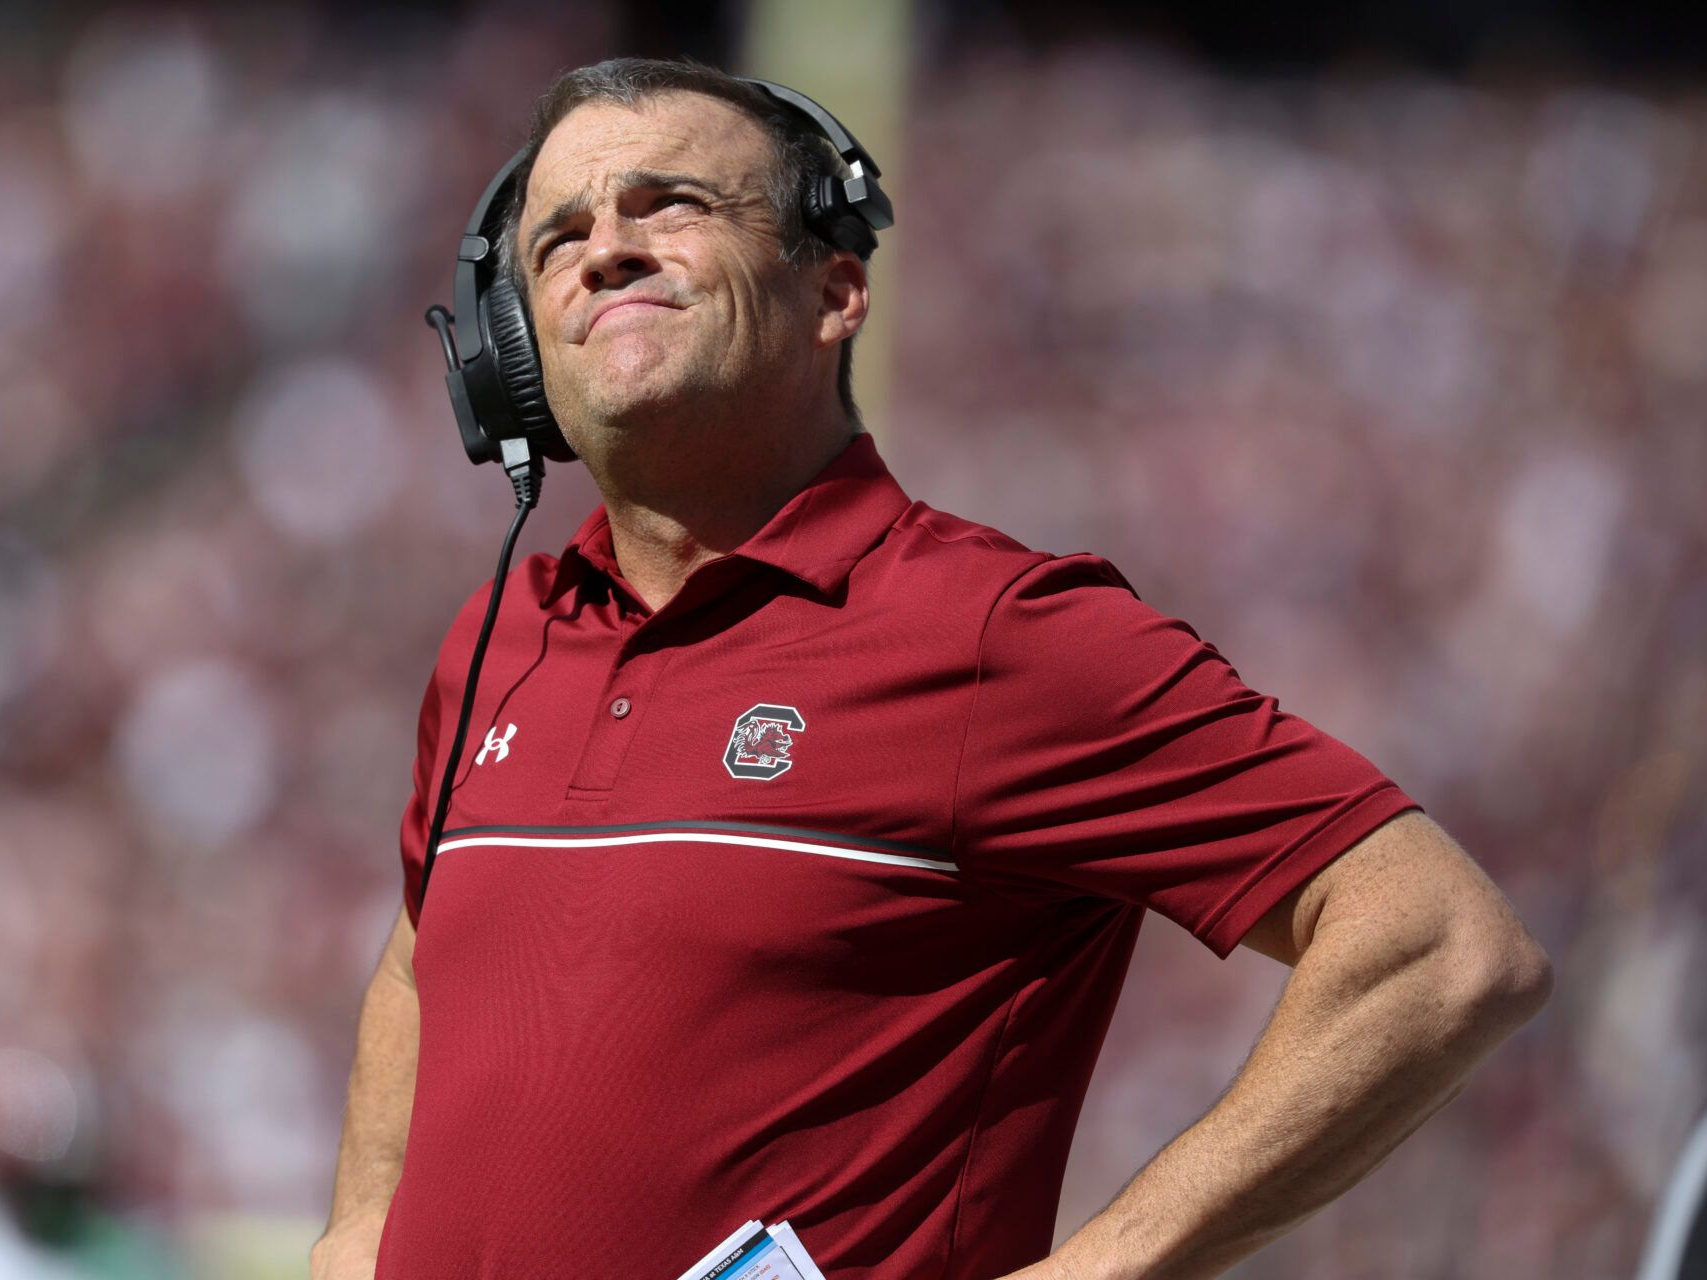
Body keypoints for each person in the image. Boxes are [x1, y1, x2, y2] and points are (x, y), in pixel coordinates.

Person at [312, 58, 1553, 1280]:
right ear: (511, 364)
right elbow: (428, 948)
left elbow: (1439, 942)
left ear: (837, 291)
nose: (607, 249)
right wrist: (359, 1225)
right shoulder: (499, 636)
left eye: (671, 205)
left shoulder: (997, 629)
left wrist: (1107, 1267)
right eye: (559, 237)